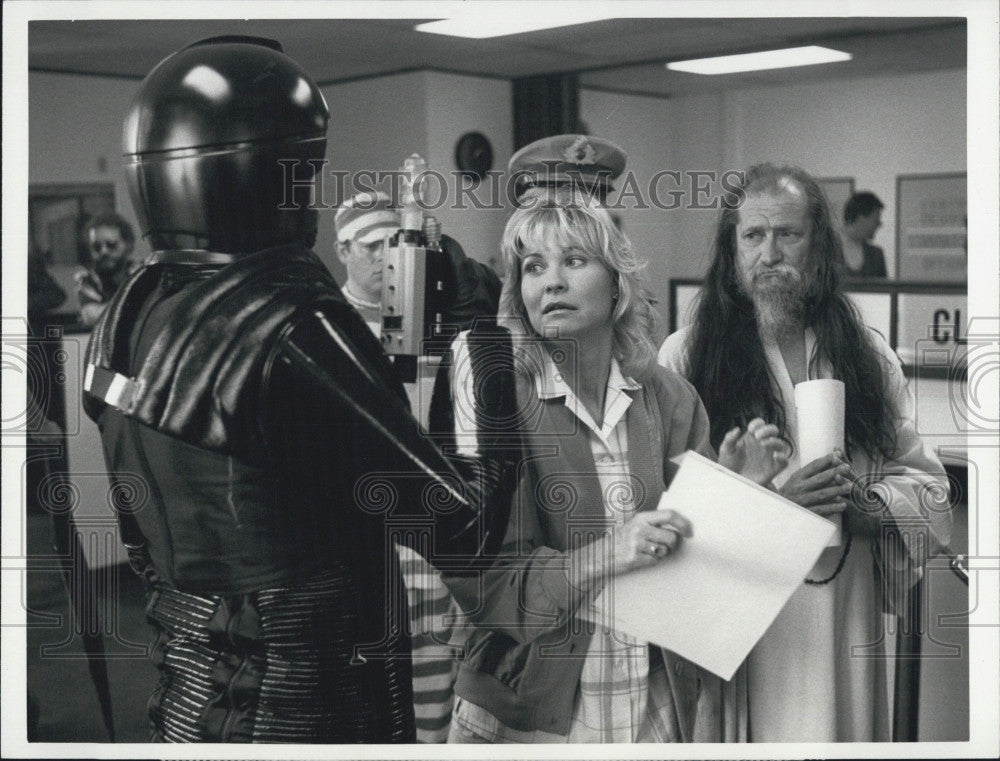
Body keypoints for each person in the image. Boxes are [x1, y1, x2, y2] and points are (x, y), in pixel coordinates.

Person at [81, 36, 519, 743]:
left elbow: (145, 547)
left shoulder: (129, 314)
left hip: (189, 702)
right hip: (308, 715)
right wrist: (484, 336)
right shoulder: (290, 325)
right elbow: (467, 529)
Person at [439, 188, 789, 743]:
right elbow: (484, 583)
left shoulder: (669, 396)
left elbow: (694, 570)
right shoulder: (495, 396)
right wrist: (609, 552)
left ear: (618, 283)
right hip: (526, 715)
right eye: (533, 267)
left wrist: (733, 494)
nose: (551, 281)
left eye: (574, 261)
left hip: (647, 703)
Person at [658, 163, 951, 742]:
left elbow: (930, 487)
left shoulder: (867, 355)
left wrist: (871, 507)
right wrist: (774, 508)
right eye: (753, 236)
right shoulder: (685, 357)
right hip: (746, 629)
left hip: (845, 615)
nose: (770, 254)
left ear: (818, 244)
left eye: (787, 234)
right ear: (731, 249)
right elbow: (663, 517)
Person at [333, 190, 485, 743]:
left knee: (440, 674)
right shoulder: (329, 327)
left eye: (393, 244)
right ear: (343, 249)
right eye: (371, 245)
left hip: (430, 527)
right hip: (363, 532)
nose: (384, 257)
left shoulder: (424, 316)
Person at [74, 211, 140, 326]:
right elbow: (90, 317)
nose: (104, 252)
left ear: (128, 245)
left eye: (111, 245)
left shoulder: (141, 272)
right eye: (97, 247)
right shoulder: (87, 278)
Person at [841, 191, 887, 277]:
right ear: (861, 218)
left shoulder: (877, 255)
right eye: (876, 220)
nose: (879, 224)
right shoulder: (825, 253)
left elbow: (883, 290)